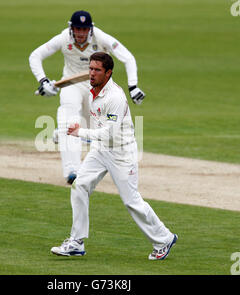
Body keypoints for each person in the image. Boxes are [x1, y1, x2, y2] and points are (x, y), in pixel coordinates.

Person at [50, 52, 177, 261]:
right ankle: (76, 242)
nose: (91, 73)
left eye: (97, 70)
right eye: (90, 68)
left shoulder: (115, 97)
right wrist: (63, 130)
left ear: (108, 73)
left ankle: (164, 238)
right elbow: (97, 124)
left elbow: (109, 132)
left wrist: (78, 133)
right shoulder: (93, 90)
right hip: (100, 150)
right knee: (79, 185)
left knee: (131, 201)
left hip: (121, 152)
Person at [29, 10, 146, 185]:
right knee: (68, 119)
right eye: (77, 29)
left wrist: (133, 86)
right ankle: (72, 170)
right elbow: (35, 55)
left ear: (90, 29)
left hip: (98, 88)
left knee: (100, 131)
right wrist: (43, 81)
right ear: (71, 28)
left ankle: (61, 134)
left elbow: (128, 57)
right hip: (72, 84)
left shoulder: (100, 37)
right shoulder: (63, 38)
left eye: (84, 30)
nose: (81, 33)